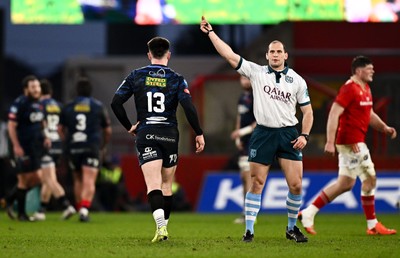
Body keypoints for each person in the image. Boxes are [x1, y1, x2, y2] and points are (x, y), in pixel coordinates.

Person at [200, 16, 313, 243]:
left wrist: (304, 135)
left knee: (296, 184)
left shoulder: (298, 81)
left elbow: (308, 112)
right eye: (272, 52)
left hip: (289, 134)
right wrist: (211, 32)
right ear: (267, 55)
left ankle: (291, 227)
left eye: (279, 51)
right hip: (263, 133)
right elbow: (229, 55)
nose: (275, 55)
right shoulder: (256, 72)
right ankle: (249, 230)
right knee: (257, 182)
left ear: (285, 55)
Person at [111, 36, 205, 242]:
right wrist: (198, 132)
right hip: (170, 134)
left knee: (152, 183)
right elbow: (188, 106)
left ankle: (161, 229)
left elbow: (116, 103)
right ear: (168, 55)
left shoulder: (136, 75)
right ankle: (164, 229)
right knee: (167, 185)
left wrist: (129, 127)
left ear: (149, 54)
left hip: (146, 133)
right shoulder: (177, 78)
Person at [299, 56, 397, 236]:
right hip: (352, 143)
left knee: (345, 184)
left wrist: (384, 127)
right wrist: (330, 141)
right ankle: (372, 224)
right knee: (370, 179)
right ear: (359, 71)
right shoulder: (349, 89)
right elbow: (334, 114)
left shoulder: (365, 88)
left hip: (354, 142)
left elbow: (369, 113)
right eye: (369, 68)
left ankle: (308, 212)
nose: (373, 71)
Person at [58, 78, 112, 222]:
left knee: (77, 179)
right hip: (91, 146)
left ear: (76, 91)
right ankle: (84, 209)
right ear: (90, 90)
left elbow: (60, 129)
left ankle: (79, 207)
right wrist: (103, 145)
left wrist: (66, 142)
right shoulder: (98, 106)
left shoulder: (68, 106)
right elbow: (107, 130)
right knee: (89, 179)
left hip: (74, 147)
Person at [32, 79, 76, 221]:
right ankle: (41, 211)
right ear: (50, 91)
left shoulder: (39, 105)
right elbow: (63, 126)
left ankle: (66, 205)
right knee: (48, 179)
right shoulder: (58, 106)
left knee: (48, 179)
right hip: (58, 143)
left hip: (47, 143)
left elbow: (40, 124)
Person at [5, 75, 46, 221]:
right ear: (26, 89)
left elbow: (41, 121)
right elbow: (11, 126)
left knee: (37, 178)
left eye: (38, 87)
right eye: (33, 87)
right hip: (21, 146)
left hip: (34, 147)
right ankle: (22, 215)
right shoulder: (20, 103)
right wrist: (16, 146)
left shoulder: (39, 104)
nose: (37, 90)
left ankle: (10, 199)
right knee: (23, 180)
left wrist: (45, 136)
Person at [230, 76, 256, 224]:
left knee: (248, 177)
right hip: (244, 141)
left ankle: (249, 212)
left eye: (247, 78)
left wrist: (242, 132)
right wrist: (238, 137)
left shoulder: (257, 96)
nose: (245, 81)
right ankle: (246, 210)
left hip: (254, 140)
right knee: (243, 177)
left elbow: (259, 121)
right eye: (242, 78)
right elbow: (240, 117)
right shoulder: (242, 97)